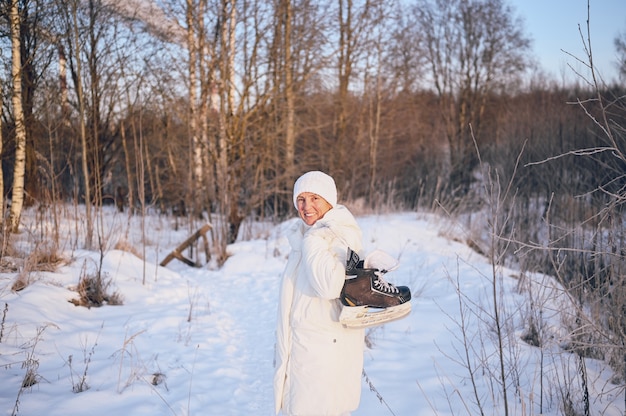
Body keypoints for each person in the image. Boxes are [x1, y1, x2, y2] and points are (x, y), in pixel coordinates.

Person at [273, 170, 365, 416]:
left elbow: (328, 286)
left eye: (315, 198)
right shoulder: (305, 236)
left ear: (329, 201)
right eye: (301, 199)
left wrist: (313, 240)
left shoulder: (339, 233)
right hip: (302, 352)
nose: (306, 206)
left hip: (323, 356)